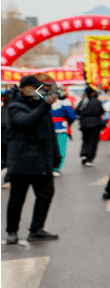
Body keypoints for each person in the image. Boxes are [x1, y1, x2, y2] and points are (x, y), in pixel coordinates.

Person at [4, 77, 62, 243]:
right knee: (17, 199)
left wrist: (56, 155)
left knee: (46, 195)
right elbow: (26, 122)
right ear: (23, 89)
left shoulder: (41, 107)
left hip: (42, 162)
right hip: (22, 162)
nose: (37, 91)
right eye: (33, 88)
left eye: (39, 88)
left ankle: (36, 229)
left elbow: (50, 133)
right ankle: (12, 231)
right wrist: (46, 104)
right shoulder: (15, 106)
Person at [76, 86, 105, 166]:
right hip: (95, 124)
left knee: (85, 140)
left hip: (84, 124)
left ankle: (84, 154)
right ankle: (89, 159)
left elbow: (77, 111)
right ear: (93, 92)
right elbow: (102, 111)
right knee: (93, 142)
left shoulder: (83, 101)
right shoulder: (97, 101)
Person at [49, 92, 76, 178]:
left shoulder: (44, 104)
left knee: (49, 149)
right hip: (61, 127)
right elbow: (72, 116)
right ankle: (56, 168)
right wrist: (68, 123)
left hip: (48, 129)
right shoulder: (64, 104)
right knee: (61, 149)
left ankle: (50, 167)